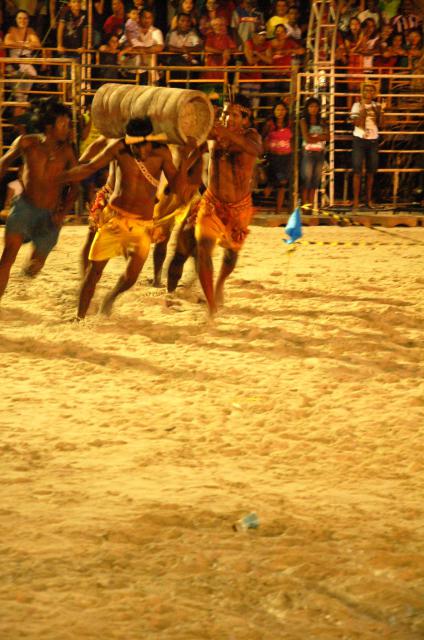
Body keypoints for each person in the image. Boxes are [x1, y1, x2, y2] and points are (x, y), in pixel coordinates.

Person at [58, 117, 198, 320]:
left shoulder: (162, 153)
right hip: (114, 219)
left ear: (151, 140)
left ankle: (111, 297)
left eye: (143, 147)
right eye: (135, 147)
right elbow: (90, 167)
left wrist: (184, 157)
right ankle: (79, 317)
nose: (140, 152)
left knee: (131, 277)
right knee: (94, 272)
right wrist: (60, 178)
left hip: (142, 225)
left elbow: (177, 189)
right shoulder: (118, 148)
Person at [168, 94, 262, 317]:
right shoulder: (213, 135)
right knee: (202, 249)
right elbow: (191, 145)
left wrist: (222, 131)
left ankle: (220, 284)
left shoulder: (252, 136)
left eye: (233, 114)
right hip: (211, 204)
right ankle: (211, 306)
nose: (227, 117)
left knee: (231, 255)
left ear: (246, 119)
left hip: (239, 209)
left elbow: (255, 151)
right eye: (224, 113)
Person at [0, 99, 78, 301]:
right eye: (63, 124)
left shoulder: (68, 153)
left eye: (68, 124)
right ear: (49, 126)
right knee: (7, 258)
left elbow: (75, 187)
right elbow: (4, 163)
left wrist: (62, 212)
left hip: (50, 215)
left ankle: (30, 267)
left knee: (34, 267)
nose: (67, 128)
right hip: (24, 208)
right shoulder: (27, 143)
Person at [350, 82, 385, 210]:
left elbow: (381, 124)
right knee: (357, 171)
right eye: (366, 90)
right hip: (359, 138)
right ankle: (355, 201)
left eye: (371, 90)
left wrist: (379, 114)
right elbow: (355, 123)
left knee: (371, 171)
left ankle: (368, 200)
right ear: (362, 92)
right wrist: (363, 114)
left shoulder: (377, 106)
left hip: (373, 139)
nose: (369, 93)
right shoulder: (357, 105)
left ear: (374, 93)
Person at [262, 100, 293, 214]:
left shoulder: (289, 123)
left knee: (283, 183)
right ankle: (265, 201)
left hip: (286, 156)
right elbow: (263, 137)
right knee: (275, 182)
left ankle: (278, 210)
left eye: (283, 110)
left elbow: (293, 138)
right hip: (273, 156)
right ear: (274, 111)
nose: (280, 112)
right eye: (278, 110)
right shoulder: (270, 124)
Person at [300, 96, 329, 207]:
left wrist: (314, 137)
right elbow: (306, 138)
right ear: (307, 108)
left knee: (315, 182)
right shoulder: (304, 121)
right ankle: (304, 205)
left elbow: (328, 137)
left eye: (316, 106)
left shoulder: (322, 121)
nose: (314, 108)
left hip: (319, 153)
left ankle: (311, 205)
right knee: (306, 180)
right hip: (308, 153)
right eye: (311, 106)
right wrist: (320, 137)